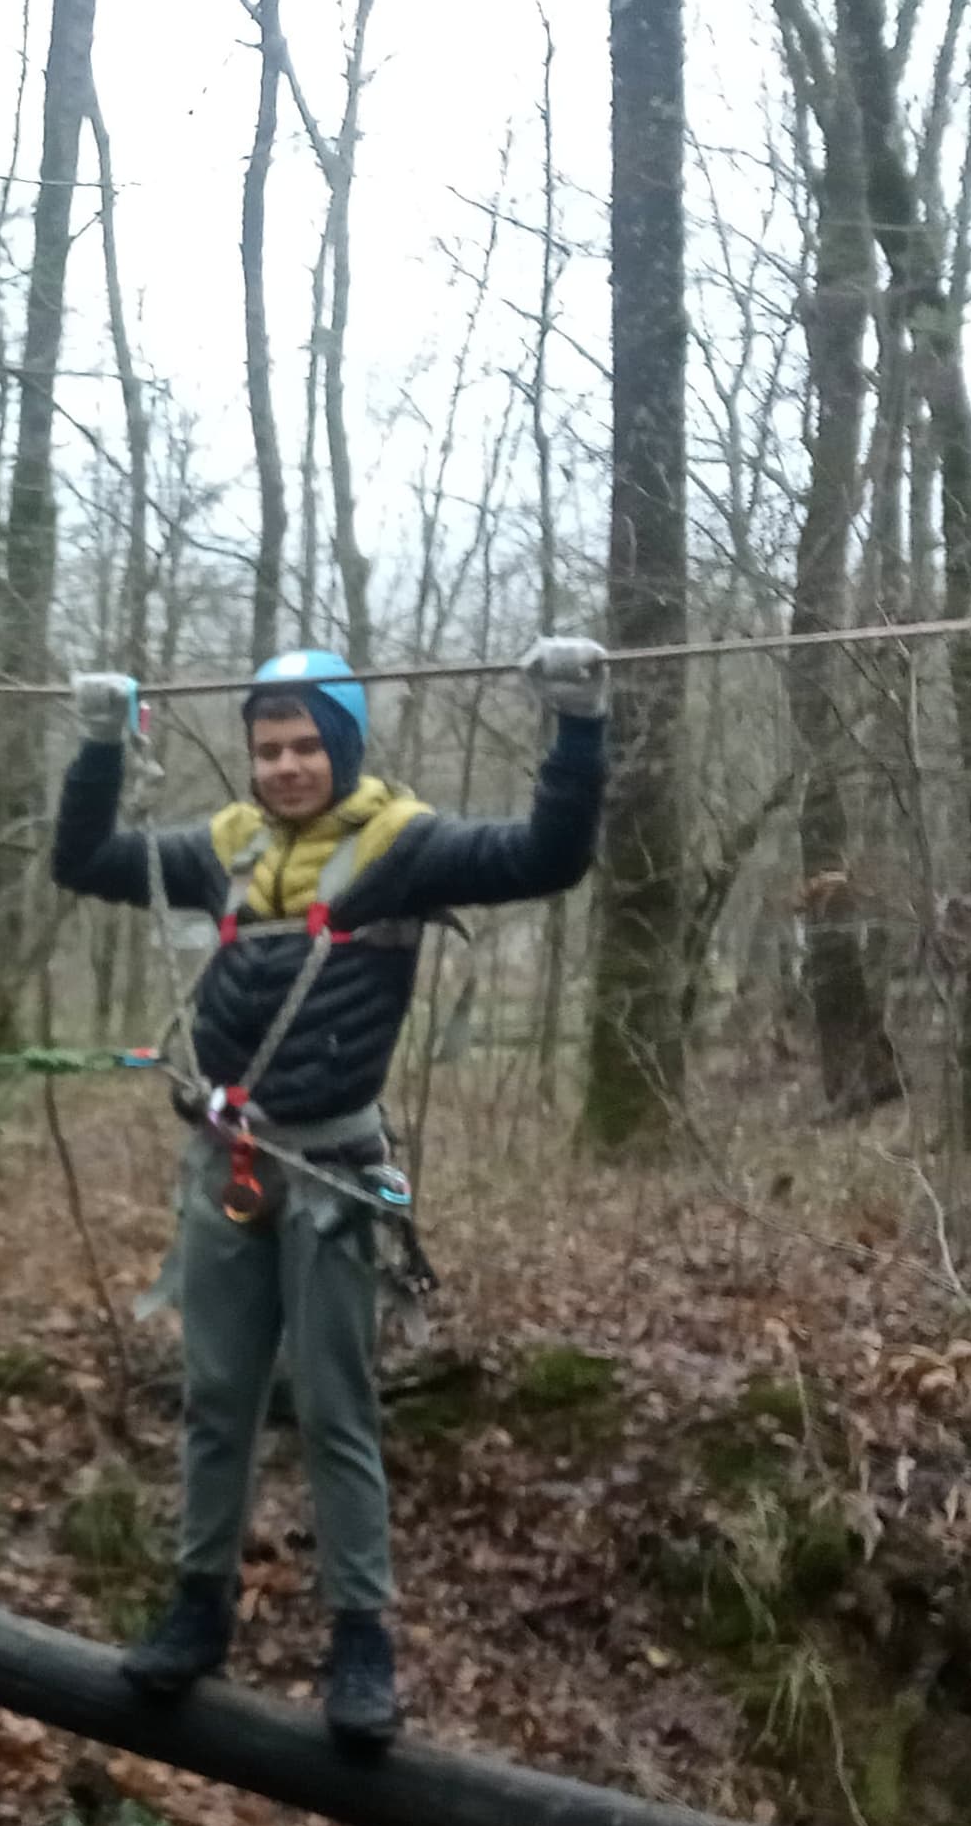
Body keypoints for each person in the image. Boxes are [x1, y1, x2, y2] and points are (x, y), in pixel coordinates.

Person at [49, 635, 609, 1746]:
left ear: (344, 748)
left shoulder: (406, 848)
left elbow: (548, 859)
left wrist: (579, 727)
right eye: (270, 748)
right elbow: (85, 860)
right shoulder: (223, 849)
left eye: (308, 746)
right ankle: (198, 1607)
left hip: (334, 1174)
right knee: (217, 1396)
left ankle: (362, 1639)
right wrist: (100, 747)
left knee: (336, 1406)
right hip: (229, 1162)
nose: (288, 766)